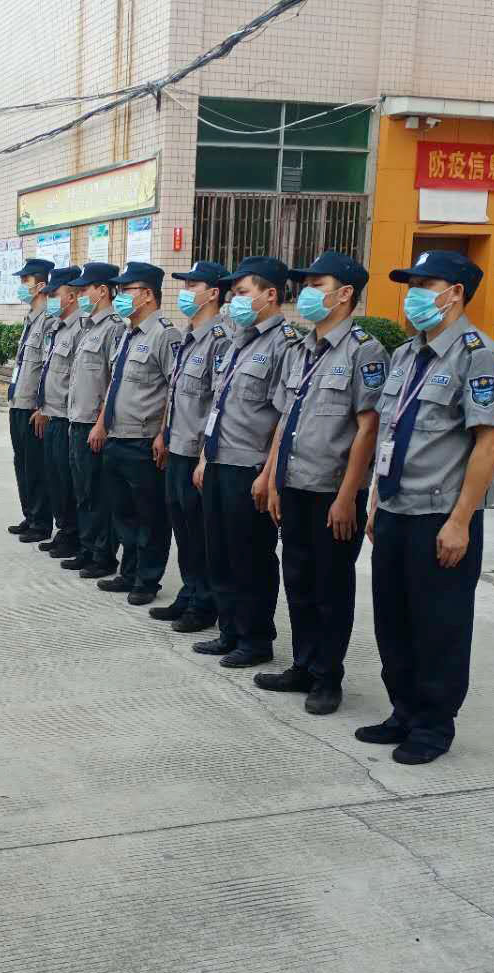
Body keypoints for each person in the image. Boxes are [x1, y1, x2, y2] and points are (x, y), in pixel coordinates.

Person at [359, 250, 494, 765]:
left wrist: (461, 521)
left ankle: (433, 724)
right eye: (411, 284)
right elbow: (392, 433)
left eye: (426, 284)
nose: (414, 294)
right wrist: (377, 501)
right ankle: (402, 710)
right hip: (397, 510)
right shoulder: (406, 356)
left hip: (441, 517)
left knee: (438, 624)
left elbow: (488, 443)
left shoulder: (478, 355)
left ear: (456, 293)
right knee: (393, 619)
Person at [256, 252, 386, 714]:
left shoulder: (364, 352)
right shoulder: (301, 349)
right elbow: (284, 419)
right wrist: (272, 478)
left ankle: (328, 677)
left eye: (317, 283)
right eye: (305, 283)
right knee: (298, 580)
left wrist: (349, 496)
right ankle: (303, 665)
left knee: (331, 586)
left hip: (332, 492)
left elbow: (367, 428)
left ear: (344, 293)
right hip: (294, 485)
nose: (307, 291)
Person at [192, 256, 302, 668]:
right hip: (220, 461)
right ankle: (229, 629)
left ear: (270, 294)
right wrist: (205, 457)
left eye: (241, 293)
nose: (234, 301)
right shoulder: (239, 339)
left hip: (250, 468)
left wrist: (269, 475)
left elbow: (283, 417)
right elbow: (218, 404)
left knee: (250, 557)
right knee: (218, 552)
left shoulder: (284, 344)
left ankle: (256, 638)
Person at [88, 262, 180, 606]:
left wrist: (164, 434)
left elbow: (175, 388)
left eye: (127, 290)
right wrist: (101, 423)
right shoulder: (128, 332)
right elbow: (114, 383)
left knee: (150, 515)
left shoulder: (165, 334)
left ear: (147, 294)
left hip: (144, 440)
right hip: (117, 436)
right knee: (123, 513)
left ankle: (147, 579)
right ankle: (128, 572)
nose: (121, 296)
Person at [148, 260, 231, 633]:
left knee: (200, 534)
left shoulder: (220, 340)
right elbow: (175, 392)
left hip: (197, 451)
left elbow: (218, 403)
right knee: (182, 529)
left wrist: (204, 457)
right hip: (176, 446)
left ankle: (204, 603)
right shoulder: (188, 336)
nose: (185, 292)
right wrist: (164, 433)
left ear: (213, 293)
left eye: (193, 285)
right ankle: (189, 591)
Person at [63, 262, 122, 578]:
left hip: (94, 425)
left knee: (99, 493)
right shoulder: (89, 327)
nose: (80, 294)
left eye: (85, 289)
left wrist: (102, 423)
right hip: (77, 419)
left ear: (102, 290)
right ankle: (87, 548)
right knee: (83, 490)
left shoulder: (114, 328)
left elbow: (114, 381)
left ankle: (103, 555)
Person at [33, 266, 85, 560]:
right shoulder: (57, 327)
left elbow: (80, 380)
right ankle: (64, 530)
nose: (51, 299)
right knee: (55, 479)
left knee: (69, 483)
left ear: (72, 295)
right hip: (52, 414)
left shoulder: (81, 329)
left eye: (55, 294)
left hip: (68, 418)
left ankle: (73, 535)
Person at [7, 258, 57, 543]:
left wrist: (42, 406)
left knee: (36, 466)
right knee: (22, 463)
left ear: (40, 285)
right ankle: (30, 515)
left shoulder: (49, 322)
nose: (21, 286)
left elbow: (48, 367)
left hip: (34, 407)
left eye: (25, 281)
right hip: (19, 402)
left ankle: (41, 522)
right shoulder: (30, 319)